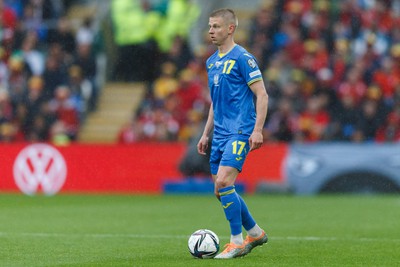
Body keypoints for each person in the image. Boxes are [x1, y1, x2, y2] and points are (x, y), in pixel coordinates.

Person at [197, 8, 269, 259]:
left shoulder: (243, 58)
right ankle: (255, 232)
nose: (210, 31)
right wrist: (206, 133)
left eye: (215, 26)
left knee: (225, 182)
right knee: (220, 190)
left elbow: (262, 94)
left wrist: (257, 129)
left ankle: (237, 242)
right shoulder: (211, 62)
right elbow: (215, 102)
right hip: (219, 134)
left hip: (240, 130)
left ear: (230, 28)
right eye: (209, 26)